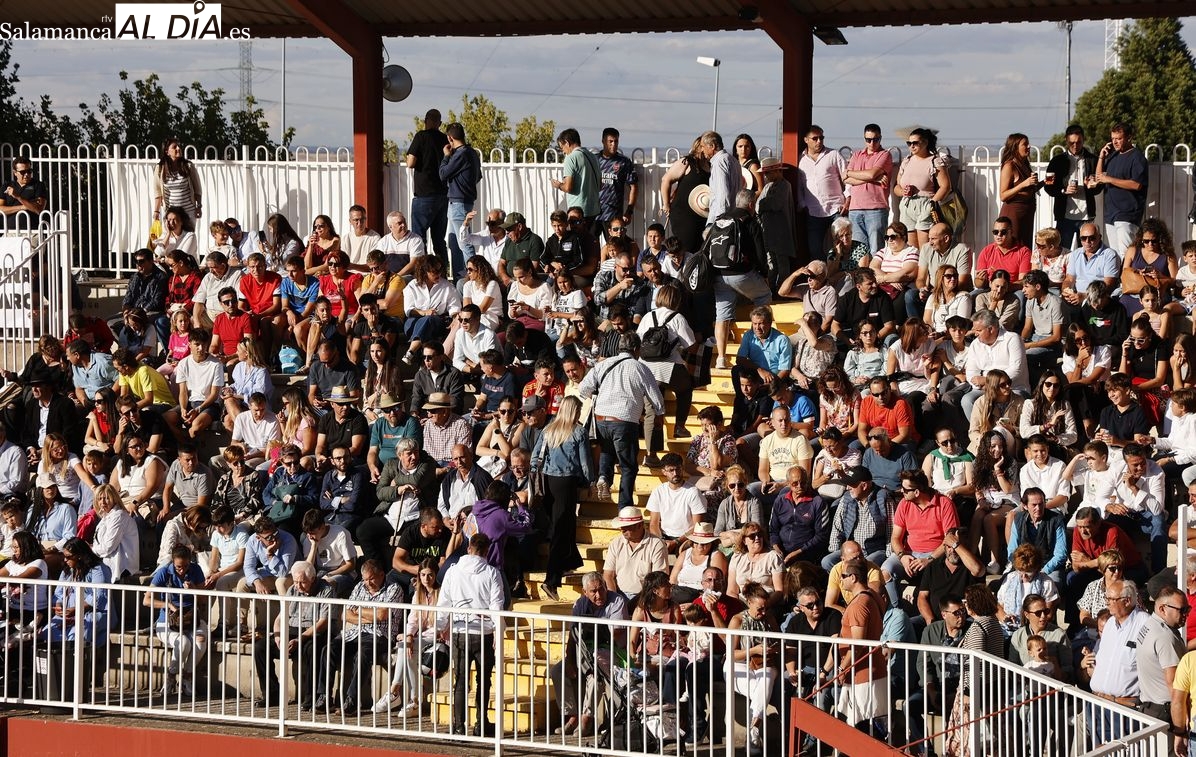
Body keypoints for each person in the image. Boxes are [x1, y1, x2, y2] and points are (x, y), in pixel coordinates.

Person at [576, 332, 664, 505]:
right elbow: (656, 396)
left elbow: (583, 388)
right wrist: (660, 414)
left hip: (601, 418)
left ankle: (603, 478)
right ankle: (625, 506)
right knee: (628, 466)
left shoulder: (604, 364)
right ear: (636, 349)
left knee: (607, 451)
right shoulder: (639, 368)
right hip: (624, 420)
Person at [437, 532, 504, 736]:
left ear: (468, 548)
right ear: (486, 551)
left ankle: (458, 726)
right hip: (483, 633)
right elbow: (496, 606)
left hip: (459, 631)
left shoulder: (452, 571)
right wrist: (497, 631)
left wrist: (441, 627)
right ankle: (480, 724)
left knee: (460, 681)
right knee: (484, 681)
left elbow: (444, 602)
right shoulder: (492, 573)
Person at [252, 560, 338, 712]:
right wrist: (278, 635)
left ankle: (311, 698)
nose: (298, 586)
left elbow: (323, 622)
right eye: (296, 582)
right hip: (292, 629)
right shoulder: (293, 588)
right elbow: (281, 617)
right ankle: (272, 694)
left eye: (302, 582)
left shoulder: (326, 590)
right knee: (261, 647)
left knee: (313, 650)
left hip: (314, 631)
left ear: (312, 579)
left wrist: (301, 638)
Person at [531, 396, 592, 602]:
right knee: (560, 530)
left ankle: (569, 561)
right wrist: (589, 482)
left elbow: (534, 457)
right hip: (566, 483)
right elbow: (584, 463)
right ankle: (551, 580)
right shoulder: (578, 432)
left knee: (563, 526)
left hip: (547, 482)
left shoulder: (549, 430)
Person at [1082, 580, 1149, 743]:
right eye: (1107, 598)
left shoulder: (1145, 624)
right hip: (1097, 703)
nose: (1107, 603)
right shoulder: (1110, 623)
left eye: (1111, 599)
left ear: (1127, 601)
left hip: (1123, 709)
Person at [338, 558, 403, 716]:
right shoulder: (360, 586)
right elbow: (345, 614)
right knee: (329, 649)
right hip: (355, 633)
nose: (367, 583)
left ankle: (352, 701)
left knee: (362, 654)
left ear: (381, 574)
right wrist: (368, 613)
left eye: (371, 579)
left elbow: (381, 615)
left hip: (380, 635)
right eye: (365, 579)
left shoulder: (393, 588)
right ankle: (322, 697)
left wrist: (358, 609)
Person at [144, 545, 208, 698]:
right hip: (167, 621)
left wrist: (194, 590)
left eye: (185, 566)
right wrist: (167, 605)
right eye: (179, 567)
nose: (182, 570)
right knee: (184, 643)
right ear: (172, 562)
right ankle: (171, 676)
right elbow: (146, 600)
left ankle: (187, 676)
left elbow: (204, 599)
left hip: (191, 618)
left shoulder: (196, 569)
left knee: (200, 641)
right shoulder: (164, 572)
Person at [835, 559, 888, 734]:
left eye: (843, 576)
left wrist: (842, 668)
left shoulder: (859, 604)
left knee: (864, 729)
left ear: (853, 577)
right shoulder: (873, 596)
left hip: (863, 674)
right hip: (871, 670)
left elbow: (857, 645)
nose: (840, 580)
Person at [727, 581, 782, 749]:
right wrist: (753, 650)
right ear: (749, 602)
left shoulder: (769, 617)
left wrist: (773, 648)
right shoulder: (737, 620)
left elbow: (779, 640)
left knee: (767, 677)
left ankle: (753, 730)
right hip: (739, 664)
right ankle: (754, 731)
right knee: (762, 689)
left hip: (763, 663)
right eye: (760, 609)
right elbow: (730, 654)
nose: (763, 612)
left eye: (765, 607)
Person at [1089, 122, 1149, 255]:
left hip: (1127, 213)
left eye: (1119, 138)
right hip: (1111, 213)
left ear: (1129, 138)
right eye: (1113, 139)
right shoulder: (1114, 156)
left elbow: (1136, 184)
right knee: (1114, 254)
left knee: (1126, 254)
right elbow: (1099, 177)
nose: (1115, 142)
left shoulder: (1137, 157)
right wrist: (1101, 157)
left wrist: (1109, 179)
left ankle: (1126, 276)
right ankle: (1117, 277)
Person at [894, 128, 951, 249]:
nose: (912, 146)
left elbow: (945, 186)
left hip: (925, 204)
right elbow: (897, 187)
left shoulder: (935, 161)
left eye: (915, 143)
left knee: (926, 248)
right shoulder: (906, 161)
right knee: (911, 249)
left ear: (925, 143)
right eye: (909, 143)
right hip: (907, 205)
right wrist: (902, 192)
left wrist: (932, 203)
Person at [824, 466, 890, 570]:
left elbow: (891, 529)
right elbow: (837, 527)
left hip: (875, 550)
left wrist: (889, 555)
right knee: (827, 562)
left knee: (864, 566)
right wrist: (837, 551)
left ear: (864, 486)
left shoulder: (883, 497)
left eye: (852, 485)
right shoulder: (847, 498)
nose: (848, 488)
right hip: (851, 550)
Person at [406, 108, 450, 266]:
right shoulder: (445, 139)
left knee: (419, 238)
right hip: (443, 195)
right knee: (439, 239)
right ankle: (442, 272)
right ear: (440, 123)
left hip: (424, 194)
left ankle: (423, 272)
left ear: (426, 121)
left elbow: (411, 163)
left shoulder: (421, 136)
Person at [439, 122, 482, 276]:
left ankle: (475, 276)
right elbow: (478, 176)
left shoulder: (460, 154)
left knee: (464, 242)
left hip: (458, 202)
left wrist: (445, 156)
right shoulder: (472, 153)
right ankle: (460, 276)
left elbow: (443, 174)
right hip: (462, 201)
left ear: (450, 138)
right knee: (454, 242)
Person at [844, 123, 894, 253]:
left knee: (876, 251)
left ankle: (875, 274)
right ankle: (861, 274)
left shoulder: (885, 155)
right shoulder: (856, 155)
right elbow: (846, 179)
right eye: (868, 140)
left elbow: (870, 174)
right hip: (855, 209)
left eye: (875, 139)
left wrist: (851, 173)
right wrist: (873, 178)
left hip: (876, 209)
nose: (872, 143)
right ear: (864, 139)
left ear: (880, 138)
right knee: (858, 252)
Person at [602, 506, 667, 602]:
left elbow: (658, 580)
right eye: (622, 526)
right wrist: (614, 599)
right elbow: (608, 575)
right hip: (619, 595)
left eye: (627, 527)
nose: (623, 530)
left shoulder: (656, 544)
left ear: (639, 525)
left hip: (644, 597)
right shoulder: (616, 543)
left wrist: (642, 600)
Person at [659, 137, 711, 254]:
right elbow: (666, 180)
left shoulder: (711, 166)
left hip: (703, 212)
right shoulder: (687, 162)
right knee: (686, 246)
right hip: (684, 213)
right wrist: (666, 204)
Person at [646, 453, 706, 553]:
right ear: (664, 472)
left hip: (687, 538)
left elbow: (697, 526)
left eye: (678, 469)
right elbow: (654, 524)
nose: (675, 473)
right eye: (671, 470)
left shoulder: (693, 491)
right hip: (664, 537)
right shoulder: (658, 491)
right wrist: (661, 542)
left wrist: (676, 542)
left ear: (682, 468)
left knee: (683, 550)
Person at [299, 509, 357, 597]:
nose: (310, 536)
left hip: (342, 572)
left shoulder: (340, 534)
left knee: (326, 587)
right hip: (321, 571)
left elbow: (351, 565)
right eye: (308, 533)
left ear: (322, 527)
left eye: (313, 533)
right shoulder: (309, 538)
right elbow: (308, 568)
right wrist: (314, 546)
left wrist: (330, 574)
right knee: (303, 585)